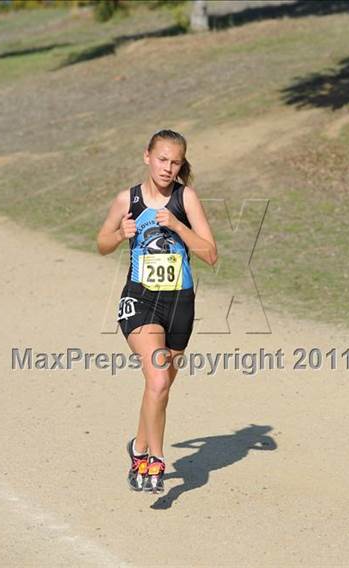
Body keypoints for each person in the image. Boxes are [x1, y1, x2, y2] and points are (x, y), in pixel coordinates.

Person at [97, 129, 217, 494]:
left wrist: (178, 225)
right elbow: (102, 243)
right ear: (147, 156)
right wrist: (120, 234)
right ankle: (155, 461)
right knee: (160, 379)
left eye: (175, 162)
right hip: (141, 299)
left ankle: (138, 447)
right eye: (162, 159)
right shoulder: (127, 199)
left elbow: (210, 254)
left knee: (158, 387)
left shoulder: (186, 198)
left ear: (182, 165)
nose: (167, 168)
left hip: (180, 303)